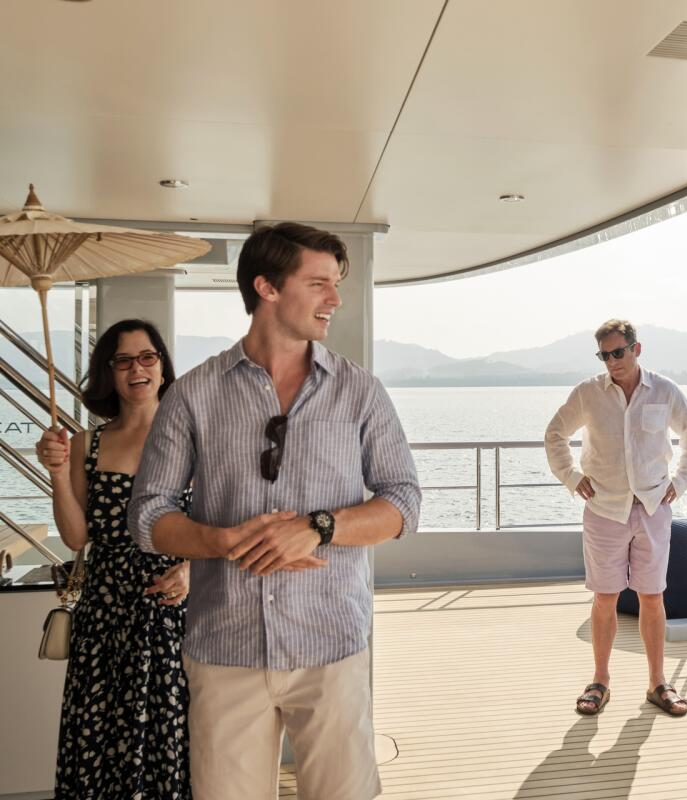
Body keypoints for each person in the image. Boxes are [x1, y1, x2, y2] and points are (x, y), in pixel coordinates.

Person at [129, 222, 422, 800]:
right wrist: (225, 541)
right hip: (223, 649)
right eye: (318, 284)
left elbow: (403, 502)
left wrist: (318, 528)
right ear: (266, 287)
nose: (334, 299)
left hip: (332, 645)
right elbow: (148, 515)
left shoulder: (360, 391)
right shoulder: (192, 393)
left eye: (336, 285)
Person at [35, 318, 191, 799]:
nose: (136, 368)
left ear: (163, 367)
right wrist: (58, 473)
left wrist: (193, 567)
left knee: (170, 735)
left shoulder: (193, 438)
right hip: (105, 614)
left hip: (172, 610)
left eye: (147, 357)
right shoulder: (89, 443)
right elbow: (76, 537)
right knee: (99, 738)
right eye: (122, 360)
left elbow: (218, 524)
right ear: (109, 373)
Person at [545, 319, 687, 717]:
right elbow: (555, 434)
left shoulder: (665, 391)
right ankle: (600, 680)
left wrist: (681, 481)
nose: (612, 362)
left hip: (652, 509)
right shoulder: (588, 393)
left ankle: (657, 682)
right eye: (604, 355)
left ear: (637, 349)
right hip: (604, 510)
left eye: (618, 352)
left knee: (652, 597)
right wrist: (571, 476)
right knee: (605, 597)